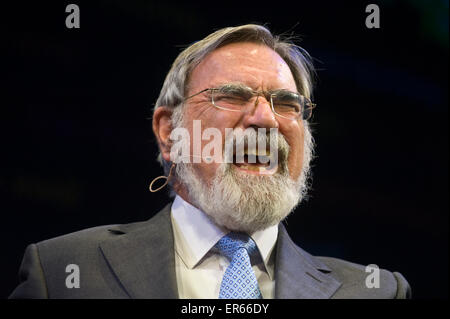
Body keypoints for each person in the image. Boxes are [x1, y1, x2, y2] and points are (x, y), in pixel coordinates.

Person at [9, 24, 411, 299]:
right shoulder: (63, 271)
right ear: (170, 132)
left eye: (286, 104)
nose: (266, 118)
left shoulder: (377, 290)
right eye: (233, 95)